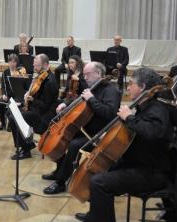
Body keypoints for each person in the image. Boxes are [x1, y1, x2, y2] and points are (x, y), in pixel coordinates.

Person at [77, 68, 173, 222]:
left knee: (99, 182)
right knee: (96, 171)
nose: (127, 87)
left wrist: (129, 117)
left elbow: (151, 132)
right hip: (136, 163)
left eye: (131, 84)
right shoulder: (142, 108)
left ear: (142, 87)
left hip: (151, 172)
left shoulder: (158, 109)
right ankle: (95, 216)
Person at [42, 62, 121, 195]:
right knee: (59, 140)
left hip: (99, 133)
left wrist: (91, 99)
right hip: (83, 127)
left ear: (98, 74)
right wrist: (65, 104)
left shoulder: (111, 91)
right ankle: (59, 171)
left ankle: (61, 182)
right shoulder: (92, 87)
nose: (84, 78)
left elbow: (110, 113)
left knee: (73, 145)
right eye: (84, 74)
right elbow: (78, 99)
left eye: (87, 74)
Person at [9, 54, 58, 160]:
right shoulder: (40, 76)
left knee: (14, 118)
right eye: (34, 66)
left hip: (44, 116)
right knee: (10, 113)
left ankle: (26, 149)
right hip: (36, 109)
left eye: (37, 66)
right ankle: (27, 143)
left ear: (45, 65)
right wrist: (27, 97)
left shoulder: (50, 81)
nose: (35, 68)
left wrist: (32, 100)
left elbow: (45, 106)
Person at [0, 54, 27, 131]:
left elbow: (23, 86)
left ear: (16, 63)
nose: (12, 64)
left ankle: (10, 123)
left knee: (12, 105)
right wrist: (3, 94)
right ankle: (3, 123)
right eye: (10, 61)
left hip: (16, 96)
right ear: (8, 62)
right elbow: (3, 86)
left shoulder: (20, 72)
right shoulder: (5, 72)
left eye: (14, 62)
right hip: (7, 95)